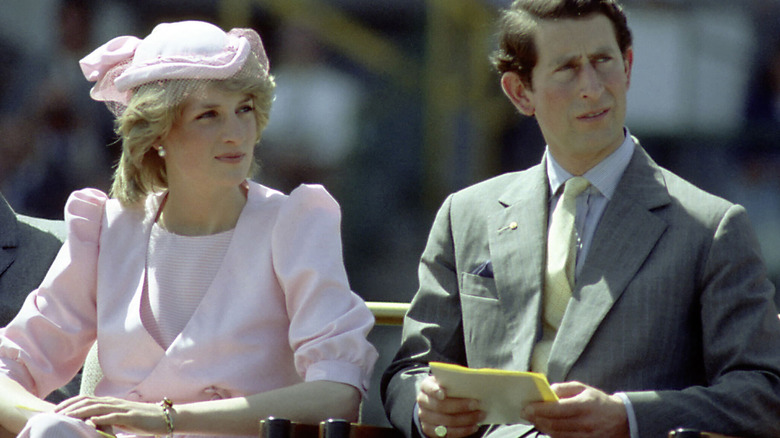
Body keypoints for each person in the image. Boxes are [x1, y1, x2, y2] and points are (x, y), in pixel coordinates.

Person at [381, 1, 780, 438]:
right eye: (568, 69)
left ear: (627, 66)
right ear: (520, 92)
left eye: (603, 62)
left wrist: (626, 416)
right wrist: (427, 405)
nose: (592, 87)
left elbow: (763, 394)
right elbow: (411, 371)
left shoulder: (710, 228)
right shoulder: (466, 215)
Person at [0, 20, 378, 438]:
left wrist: (167, 419)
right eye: (209, 115)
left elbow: (338, 392)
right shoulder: (107, 229)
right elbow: (7, 369)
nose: (236, 133)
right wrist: (57, 425)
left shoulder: (295, 223)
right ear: (158, 132)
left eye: (245, 109)